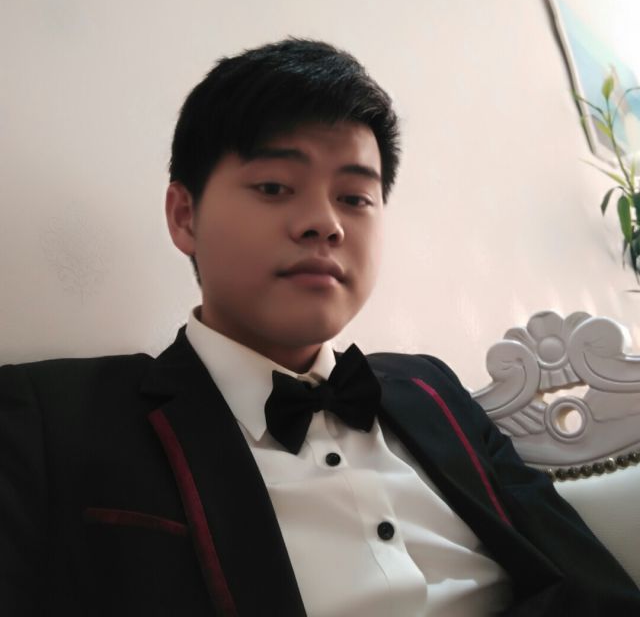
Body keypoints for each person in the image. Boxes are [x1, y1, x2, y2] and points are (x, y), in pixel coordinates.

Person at [1, 38, 639, 617]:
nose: (324, 224)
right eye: (274, 186)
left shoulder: (430, 388)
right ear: (184, 216)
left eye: (355, 197)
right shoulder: (47, 419)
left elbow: (592, 583)